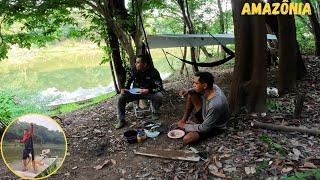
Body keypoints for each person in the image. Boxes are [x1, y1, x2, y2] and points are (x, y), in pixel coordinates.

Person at [177, 72, 229, 145]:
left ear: (204, 85)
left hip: (214, 127)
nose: (193, 85)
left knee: (187, 139)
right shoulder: (212, 87)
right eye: (193, 82)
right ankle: (183, 120)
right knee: (191, 93)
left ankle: (185, 124)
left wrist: (185, 126)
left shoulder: (215, 104)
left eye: (196, 83)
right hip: (206, 115)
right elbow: (194, 90)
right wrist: (188, 91)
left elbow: (205, 128)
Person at [115, 55, 164, 129]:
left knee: (159, 96)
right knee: (121, 97)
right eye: (136, 62)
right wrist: (125, 89)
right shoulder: (134, 70)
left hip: (148, 93)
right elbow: (128, 81)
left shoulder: (154, 72)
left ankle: (155, 112)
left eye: (138, 62)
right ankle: (121, 120)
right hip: (135, 92)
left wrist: (148, 90)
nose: (135, 64)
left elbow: (160, 87)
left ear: (145, 64)